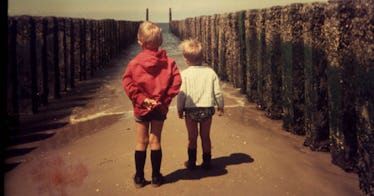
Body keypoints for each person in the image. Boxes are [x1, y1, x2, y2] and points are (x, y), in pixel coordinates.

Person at [122, 21, 182, 188]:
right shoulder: (169, 63)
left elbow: (127, 83)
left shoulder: (134, 63)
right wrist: (165, 100)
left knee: (141, 142)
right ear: (161, 42)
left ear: (140, 42)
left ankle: (140, 178)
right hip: (160, 107)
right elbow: (176, 82)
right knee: (155, 141)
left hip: (141, 108)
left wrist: (141, 99)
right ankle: (156, 177)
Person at [177, 39, 224, 170]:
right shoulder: (210, 72)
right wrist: (220, 106)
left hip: (191, 110)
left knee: (192, 137)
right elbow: (218, 92)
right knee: (205, 136)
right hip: (207, 109)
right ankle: (207, 162)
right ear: (202, 57)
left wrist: (180, 109)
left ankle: (191, 162)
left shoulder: (184, 74)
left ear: (186, 60)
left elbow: (181, 94)